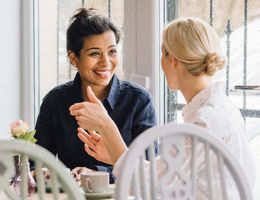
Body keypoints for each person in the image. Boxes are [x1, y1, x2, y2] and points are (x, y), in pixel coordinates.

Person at [74, 17, 255, 198]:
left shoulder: (202, 122)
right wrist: (115, 155)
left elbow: (146, 189)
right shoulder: (218, 111)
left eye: (162, 54)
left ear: (172, 59)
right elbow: (164, 175)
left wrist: (107, 126)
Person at [35, 7, 157, 183]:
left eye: (112, 52)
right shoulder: (55, 101)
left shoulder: (139, 101)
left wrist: (96, 173)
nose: (106, 62)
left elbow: (150, 168)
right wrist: (47, 175)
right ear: (74, 58)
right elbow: (36, 163)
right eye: (94, 53)